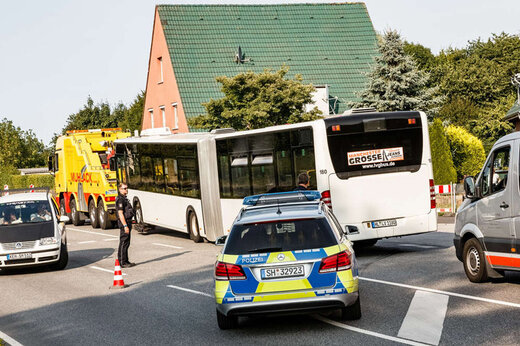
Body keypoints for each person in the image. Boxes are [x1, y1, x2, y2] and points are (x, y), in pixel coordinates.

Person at [116, 183, 135, 268]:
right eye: (124, 188)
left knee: (127, 242)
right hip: (125, 223)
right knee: (123, 242)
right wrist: (125, 225)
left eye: (126, 188)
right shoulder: (120, 199)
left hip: (128, 222)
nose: (126, 190)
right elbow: (120, 213)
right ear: (120, 189)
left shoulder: (124, 198)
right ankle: (122, 262)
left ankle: (126, 260)